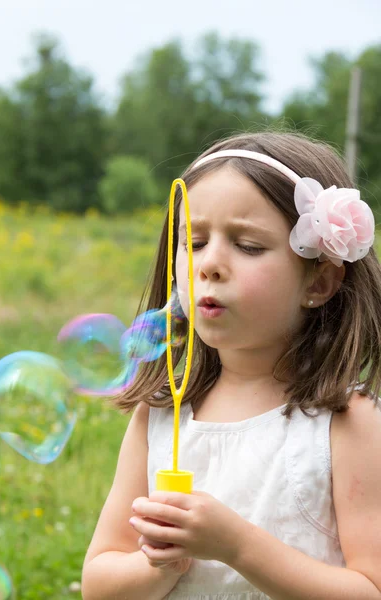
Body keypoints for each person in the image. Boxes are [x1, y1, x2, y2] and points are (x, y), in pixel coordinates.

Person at [81, 131, 381, 600]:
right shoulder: (163, 414)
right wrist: (158, 566)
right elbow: (99, 583)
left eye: (248, 246)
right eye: (195, 242)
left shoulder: (346, 420)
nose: (210, 265)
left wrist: (237, 546)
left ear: (319, 281)